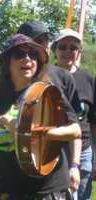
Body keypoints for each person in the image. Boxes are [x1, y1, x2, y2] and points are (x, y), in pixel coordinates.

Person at [0, 33, 81, 200]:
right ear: (7, 62)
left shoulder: (48, 91)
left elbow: (75, 130)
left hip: (50, 188)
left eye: (33, 55)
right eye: (19, 54)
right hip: (10, 188)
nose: (27, 59)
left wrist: (31, 132)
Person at [17, 21, 82, 194]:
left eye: (44, 40)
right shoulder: (14, 76)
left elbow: (75, 125)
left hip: (57, 165)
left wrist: (74, 165)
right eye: (35, 40)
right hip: (19, 171)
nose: (41, 45)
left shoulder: (63, 76)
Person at [51, 28, 96, 200]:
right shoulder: (45, 76)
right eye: (62, 47)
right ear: (55, 50)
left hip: (83, 151)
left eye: (73, 47)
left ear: (79, 52)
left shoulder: (89, 80)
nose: (68, 51)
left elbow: (93, 121)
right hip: (54, 149)